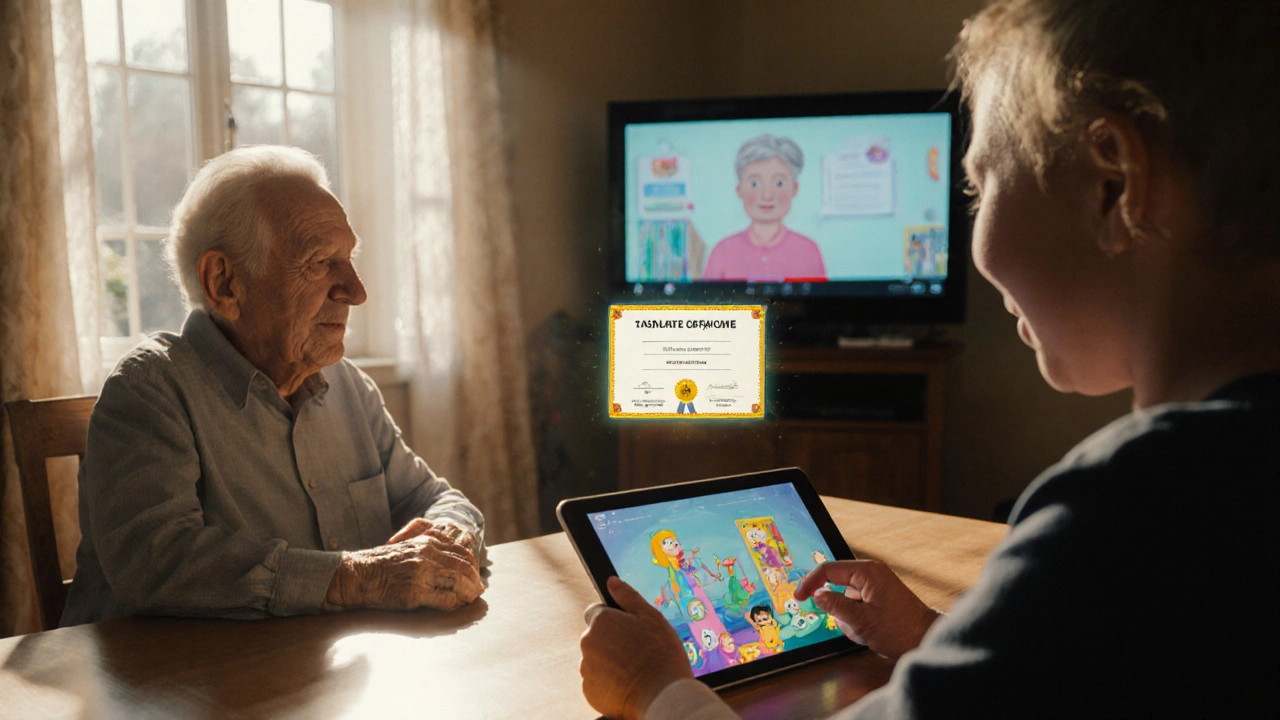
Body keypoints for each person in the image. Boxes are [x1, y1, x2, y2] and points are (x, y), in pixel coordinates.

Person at [579, 0, 1280, 717]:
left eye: (978, 185)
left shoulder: (1133, 517)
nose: (970, 226)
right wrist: (933, 638)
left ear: (1114, 184)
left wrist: (658, 689)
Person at [62, 146, 486, 625]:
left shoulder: (348, 387)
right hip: (170, 685)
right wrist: (357, 577)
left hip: (314, 672)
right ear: (224, 282)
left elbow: (434, 498)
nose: (357, 291)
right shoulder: (149, 389)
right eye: (321, 262)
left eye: (349, 258)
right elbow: (158, 561)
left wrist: (452, 536)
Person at [701, 134, 826, 281]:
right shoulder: (722, 251)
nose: (767, 195)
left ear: (794, 188)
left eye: (779, 183)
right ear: (739, 190)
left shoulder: (808, 250)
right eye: (755, 184)